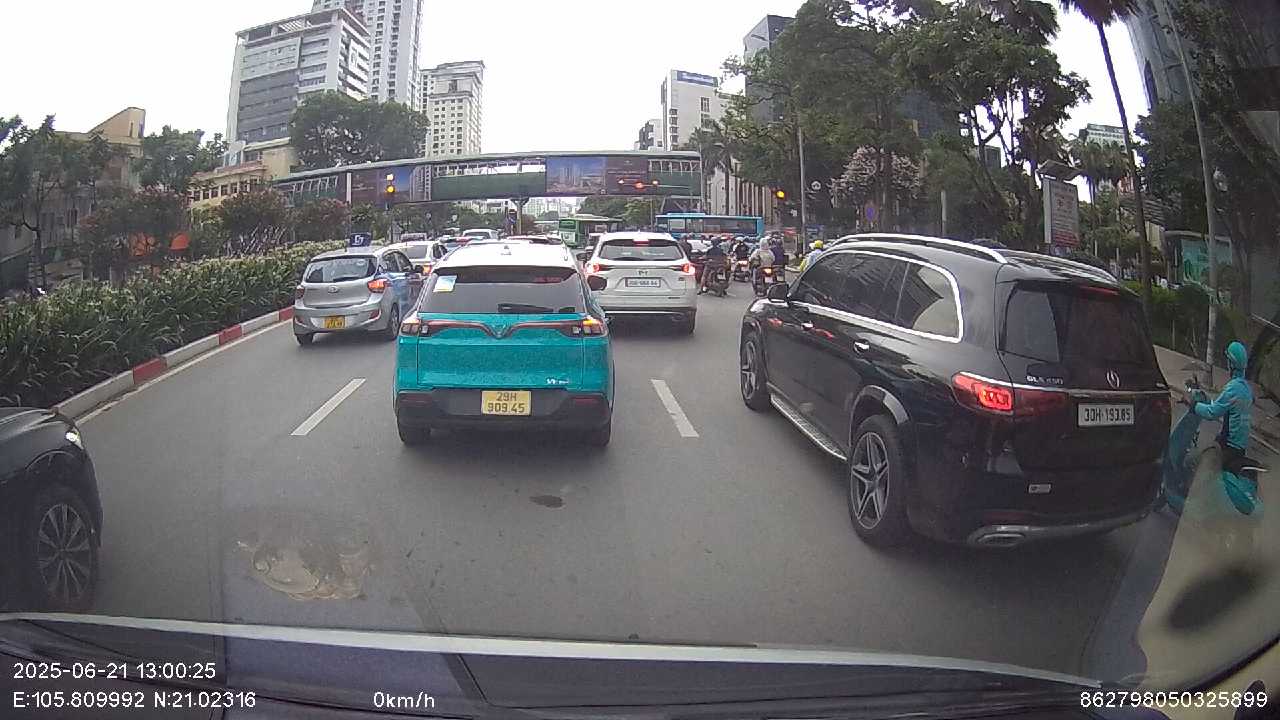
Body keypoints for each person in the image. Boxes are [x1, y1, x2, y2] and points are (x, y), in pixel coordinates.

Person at [1193, 341, 1259, 514]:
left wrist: (1193, 405)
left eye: (1228, 360)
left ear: (1231, 363)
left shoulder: (1233, 388)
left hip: (1227, 447)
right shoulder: (1246, 389)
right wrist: (1207, 399)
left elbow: (1212, 412)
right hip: (1240, 448)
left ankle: (1198, 512)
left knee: (1198, 463)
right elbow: (1224, 405)